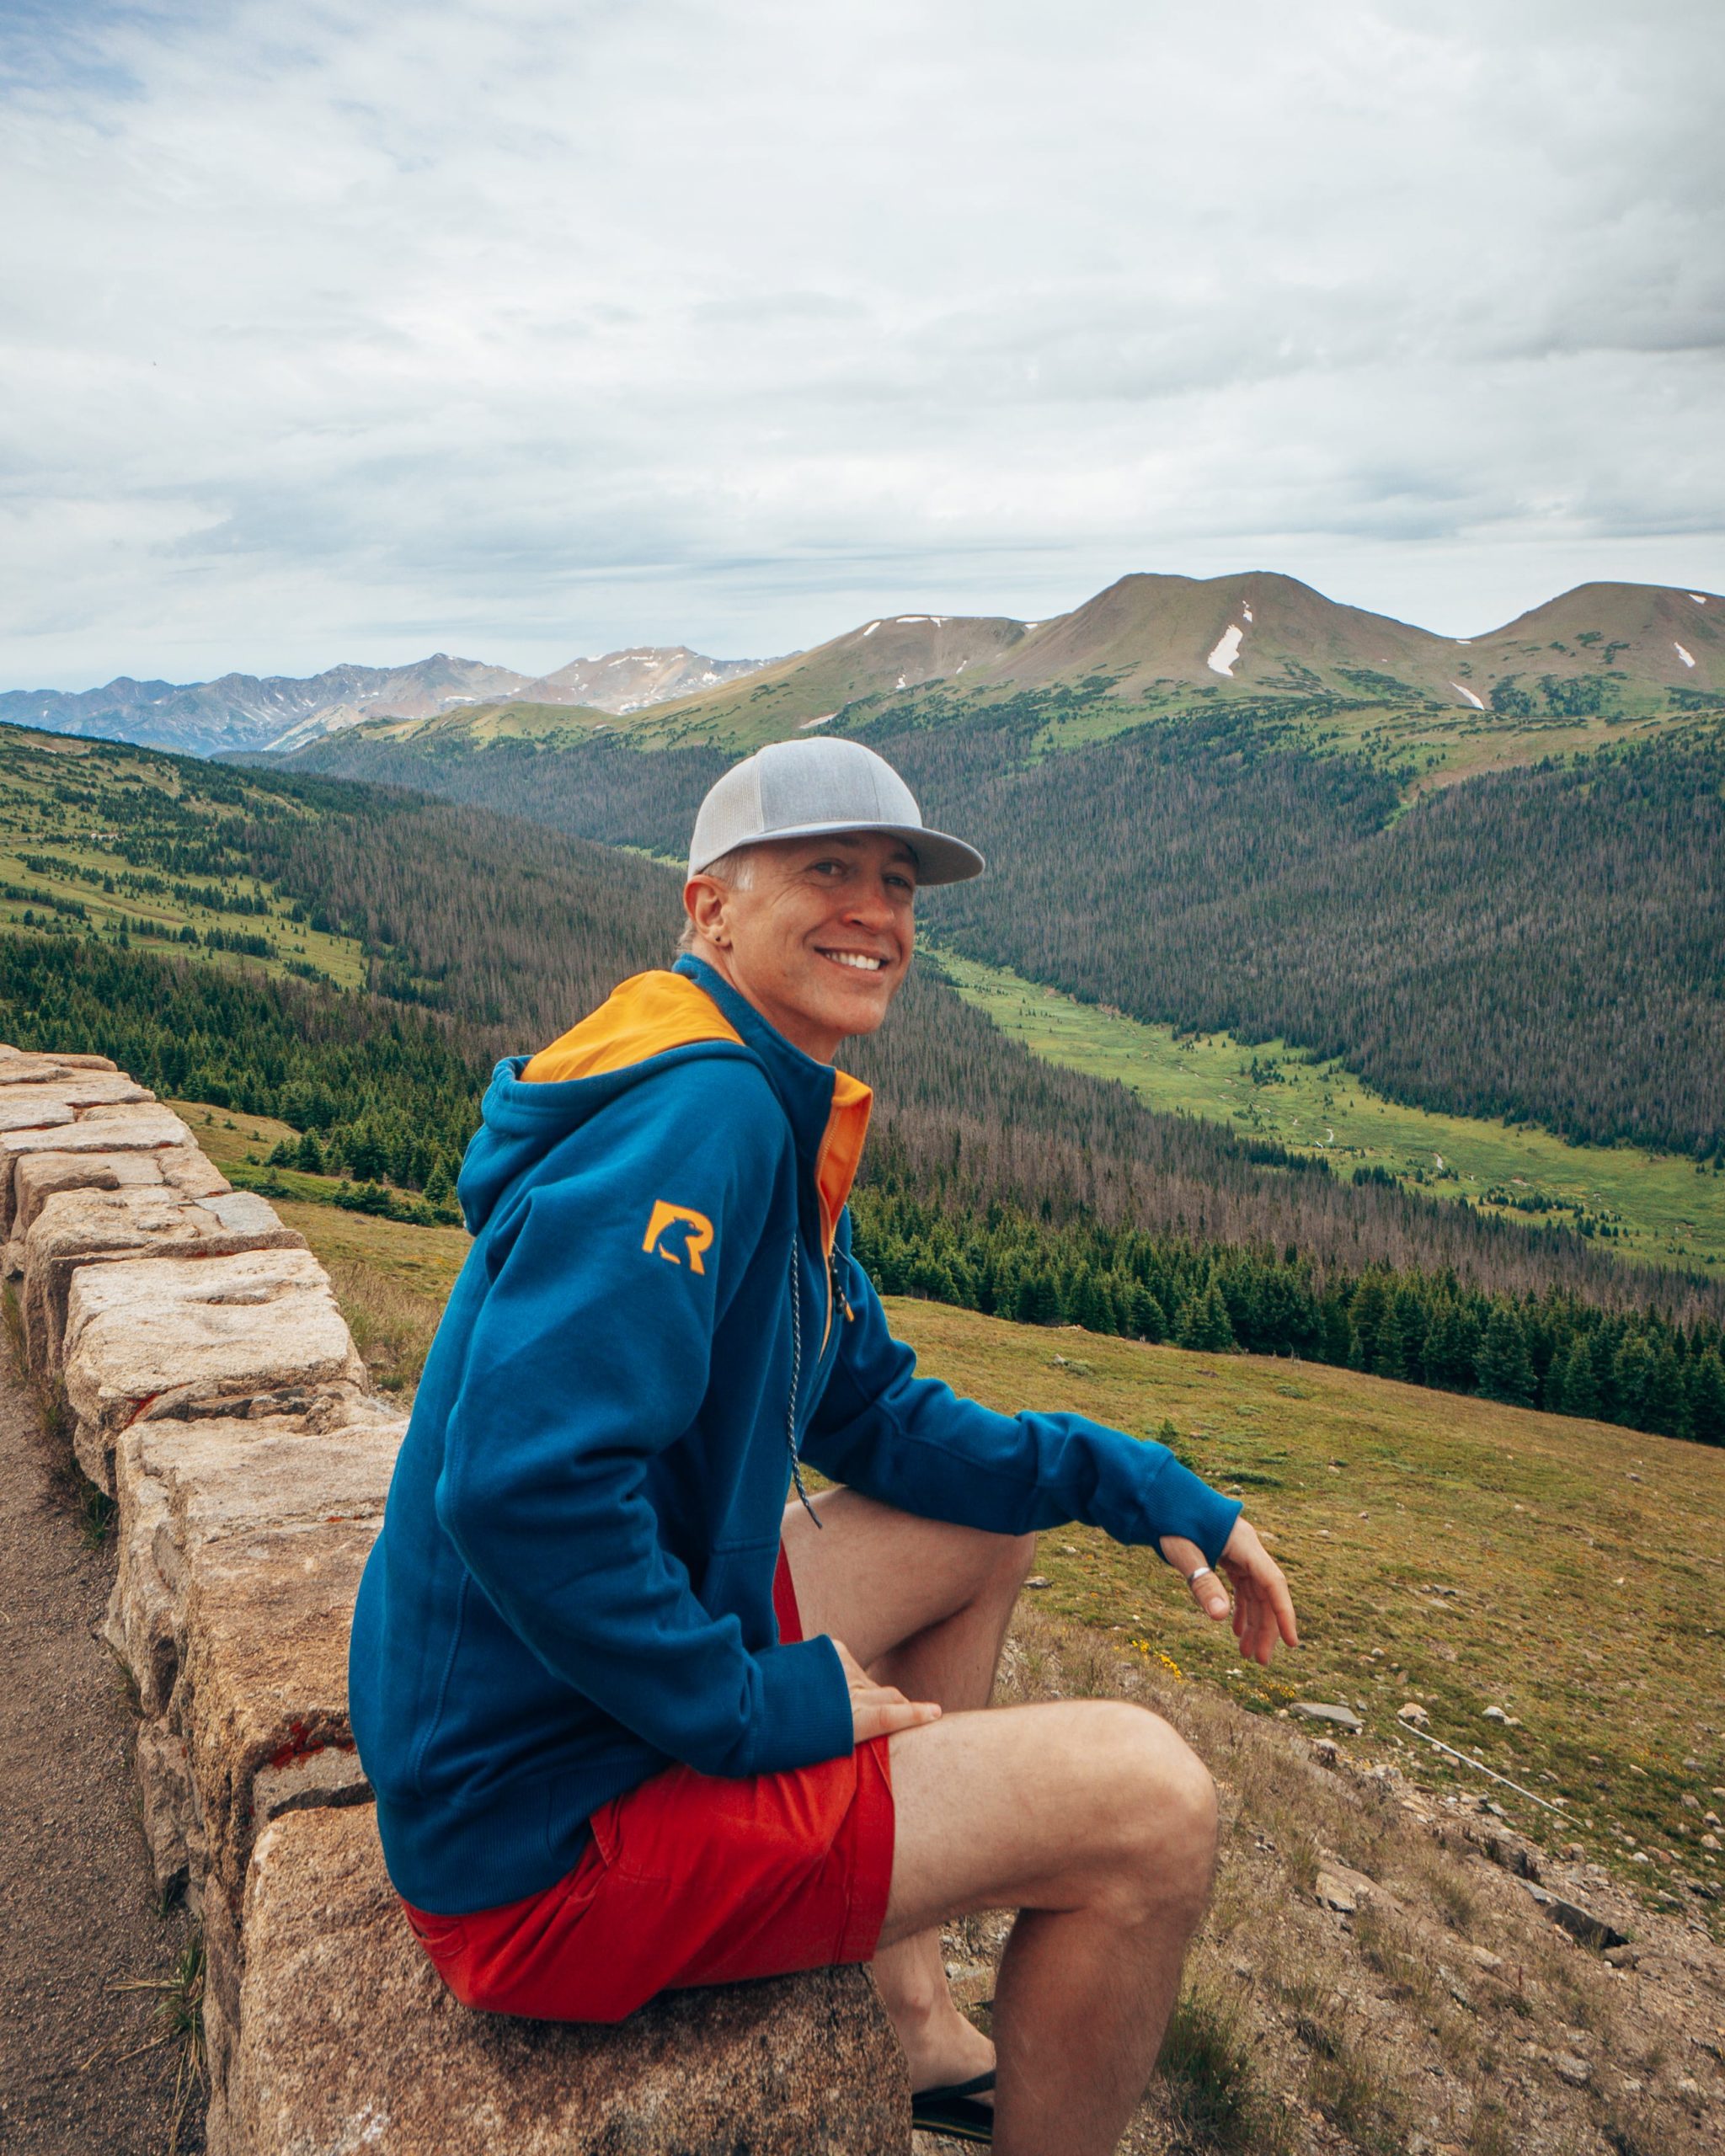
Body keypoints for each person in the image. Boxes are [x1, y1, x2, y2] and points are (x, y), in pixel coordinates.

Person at [349, 737, 1298, 2156]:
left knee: (981, 1524)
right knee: (1152, 1807)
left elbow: (871, 1413)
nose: (877, 910)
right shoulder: (708, 1116)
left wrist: (1141, 1482)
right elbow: (520, 1489)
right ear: (710, 905)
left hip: (557, 1726)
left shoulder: (753, 1091)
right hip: (545, 1845)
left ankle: (910, 2022)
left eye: (897, 880)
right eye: (827, 869)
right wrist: (756, 1709)